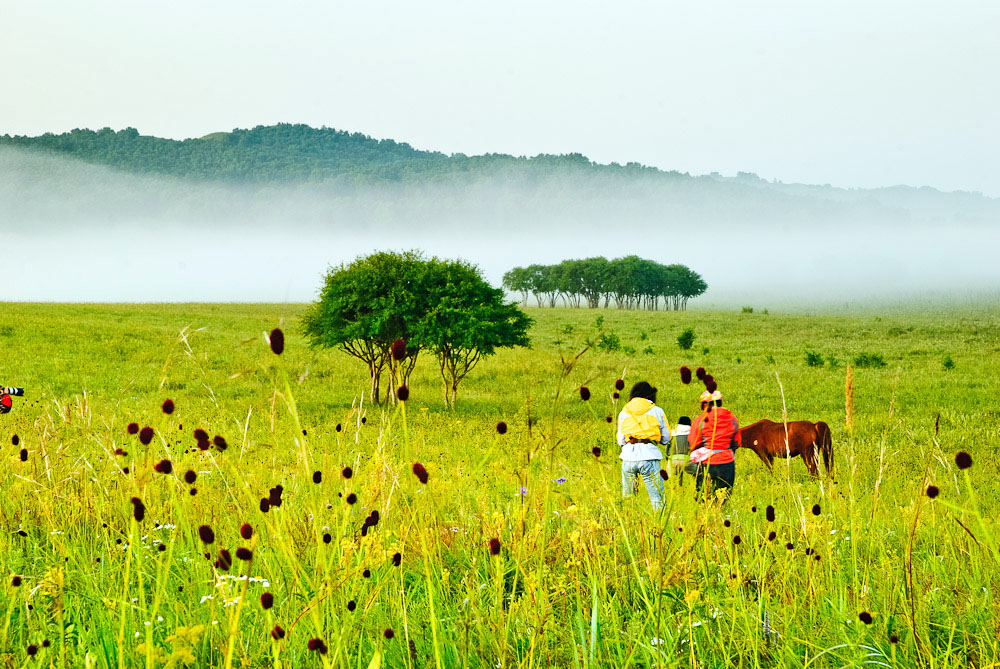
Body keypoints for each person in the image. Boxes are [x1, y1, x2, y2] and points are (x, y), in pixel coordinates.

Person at [617, 381, 671, 509]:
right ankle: (659, 523)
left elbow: (620, 440)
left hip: (628, 456)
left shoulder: (624, 412)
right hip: (649, 455)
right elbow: (666, 438)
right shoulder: (657, 411)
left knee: (628, 498)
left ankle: (629, 523)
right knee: (656, 498)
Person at [688, 390, 739, 500]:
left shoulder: (700, 420)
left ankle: (706, 515)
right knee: (725, 495)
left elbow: (693, 443)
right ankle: (721, 515)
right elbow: (737, 442)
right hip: (727, 462)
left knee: (704, 495)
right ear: (720, 402)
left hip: (707, 463)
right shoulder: (732, 418)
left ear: (704, 404)